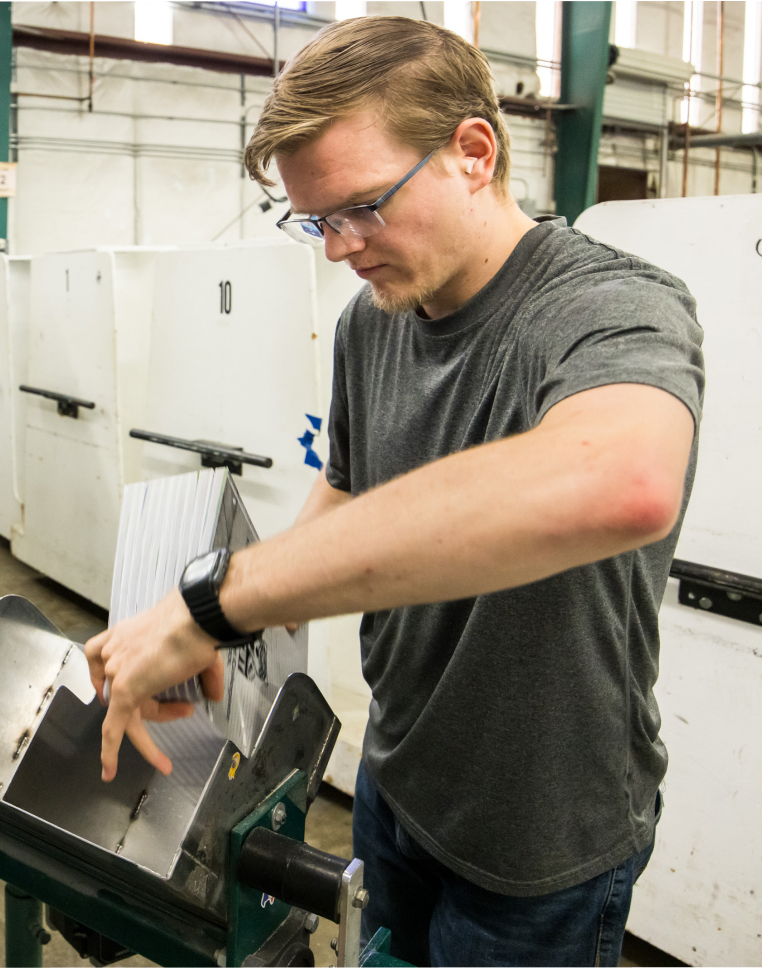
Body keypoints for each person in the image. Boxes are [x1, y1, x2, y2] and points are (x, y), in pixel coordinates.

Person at [86, 17, 704, 967]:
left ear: (470, 152)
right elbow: (345, 490)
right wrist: (229, 630)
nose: (338, 249)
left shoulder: (608, 305)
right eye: (316, 221)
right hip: (398, 777)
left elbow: (619, 483)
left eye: (361, 208)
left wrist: (212, 602)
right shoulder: (372, 324)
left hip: (540, 828)